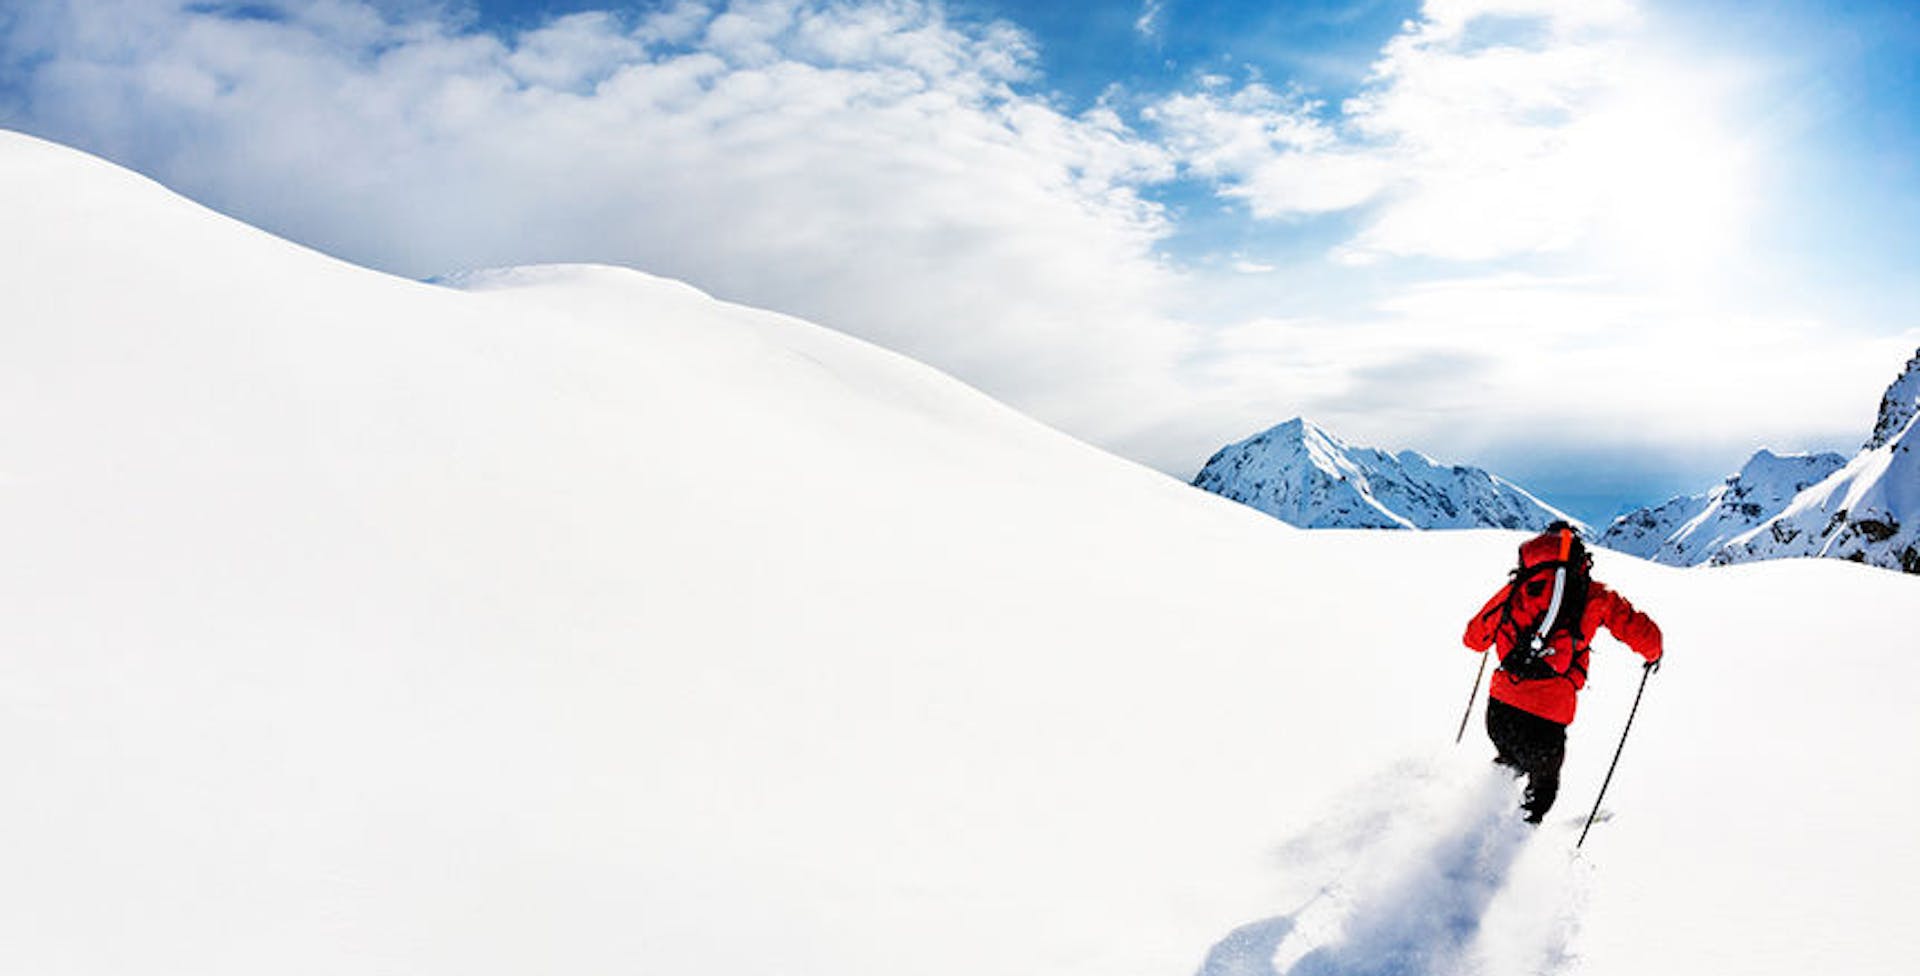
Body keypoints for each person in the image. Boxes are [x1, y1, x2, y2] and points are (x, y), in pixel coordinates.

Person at [1462, 521, 1663, 823]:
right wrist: (1654, 652)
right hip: (1547, 717)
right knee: (1542, 788)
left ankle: (1476, 820)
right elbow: (1637, 629)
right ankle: (1512, 845)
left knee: (1509, 759)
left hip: (1500, 710)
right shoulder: (1594, 595)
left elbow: (1473, 639)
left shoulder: (1517, 589)